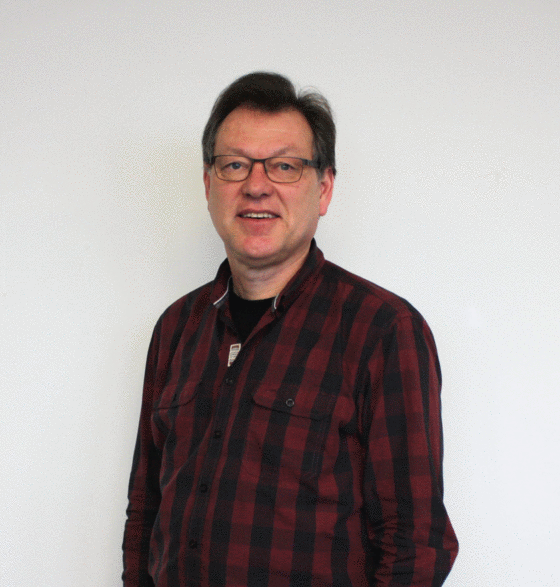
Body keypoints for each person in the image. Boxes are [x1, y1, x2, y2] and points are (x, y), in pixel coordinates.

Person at [122, 72, 458, 587]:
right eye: (235, 165)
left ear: (323, 189)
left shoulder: (383, 331)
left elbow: (416, 545)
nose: (256, 185)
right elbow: (145, 512)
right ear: (209, 185)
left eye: (284, 166)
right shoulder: (176, 327)